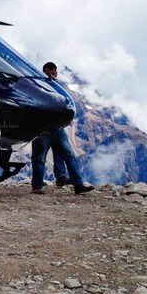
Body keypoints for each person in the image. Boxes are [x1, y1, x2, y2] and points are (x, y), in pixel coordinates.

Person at [31, 62, 94, 195]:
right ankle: (37, 186)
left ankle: (78, 185)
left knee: (69, 155)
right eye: (49, 73)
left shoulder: (57, 88)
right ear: (44, 72)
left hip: (58, 129)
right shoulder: (36, 87)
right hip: (42, 130)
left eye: (54, 73)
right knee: (40, 159)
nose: (52, 76)